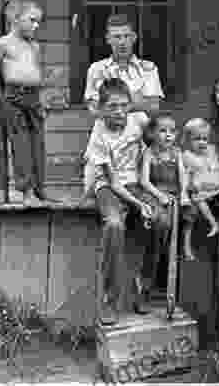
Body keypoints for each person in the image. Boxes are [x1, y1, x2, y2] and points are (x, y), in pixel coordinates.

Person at [84, 78, 169, 324]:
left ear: (130, 104)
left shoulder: (139, 121)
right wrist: (139, 205)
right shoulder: (99, 134)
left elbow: (161, 140)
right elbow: (115, 183)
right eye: (112, 106)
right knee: (114, 225)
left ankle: (145, 288)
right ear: (101, 109)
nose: (119, 111)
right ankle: (110, 300)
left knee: (162, 221)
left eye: (123, 105)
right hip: (109, 187)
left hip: (137, 184)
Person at [0, 0, 60, 204]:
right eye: (32, 20)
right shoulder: (3, 44)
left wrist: (47, 88)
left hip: (34, 98)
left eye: (38, 22)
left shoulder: (35, 47)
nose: (36, 26)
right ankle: (26, 193)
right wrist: (4, 100)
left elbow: (35, 74)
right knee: (21, 144)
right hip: (13, 97)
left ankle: (40, 190)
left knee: (38, 144)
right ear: (15, 19)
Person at [139, 110, 195, 279]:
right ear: (153, 134)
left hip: (173, 192)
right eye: (163, 131)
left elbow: (183, 175)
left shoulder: (176, 153)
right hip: (155, 192)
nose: (168, 135)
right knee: (162, 221)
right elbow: (144, 181)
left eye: (172, 131)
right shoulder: (149, 153)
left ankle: (185, 245)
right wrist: (159, 195)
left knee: (189, 211)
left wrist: (184, 193)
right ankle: (157, 258)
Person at [84, 13, 164, 117]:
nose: (122, 42)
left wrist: (112, 103)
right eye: (117, 37)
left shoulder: (148, 68)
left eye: (126, 36)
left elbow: (153, 106)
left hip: (139, 130)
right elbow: (94, 109)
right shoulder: (97, 69)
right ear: (108, 39)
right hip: (107, 132)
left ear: (134, 38)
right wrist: (135, 100)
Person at [181, 118, 219, 243]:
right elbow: (186, 174)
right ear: (188, 140)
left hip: (217, 181)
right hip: (202, 185)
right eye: (197, 139)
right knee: (198, 199)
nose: (202, 142)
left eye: (205, 139)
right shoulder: (186, 155)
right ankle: (213, 224)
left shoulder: (211, 149)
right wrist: (189, 187)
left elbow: (217, 165)